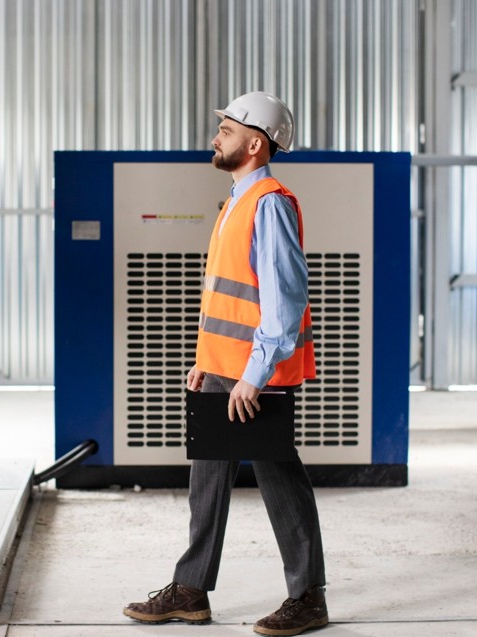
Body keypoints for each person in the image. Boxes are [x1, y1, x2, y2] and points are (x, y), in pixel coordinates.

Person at [123, 91, 328, 636]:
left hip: (254, 376)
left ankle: (308, 597)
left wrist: (253, 377)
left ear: (255, 144)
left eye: (227, 130)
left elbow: (284, 302)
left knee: (279, 478)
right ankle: (191, 590)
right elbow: (224, 296)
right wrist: (205, 360)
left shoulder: (269, 203)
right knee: (207, 478)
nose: (216, 138)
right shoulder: (236, 201)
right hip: (223, 369)